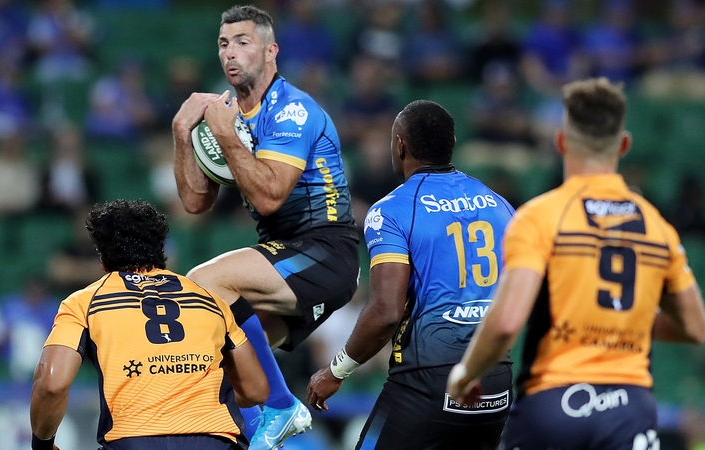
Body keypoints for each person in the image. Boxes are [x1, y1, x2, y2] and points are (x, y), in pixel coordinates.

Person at [447, 77, 705, 450]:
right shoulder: (657, 226)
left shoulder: (540, 217)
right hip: (630, 408)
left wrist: (465, 374)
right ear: (623, 145)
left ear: (560, 141)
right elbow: (695, 327)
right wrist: (620, 322)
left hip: (555, 405)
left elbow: (507, 321)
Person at [171, 5, 359, 449]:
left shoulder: (293, 110)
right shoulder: (225, 113)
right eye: (223, 44)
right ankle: (258, 437)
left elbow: (270, 195)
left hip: (325, 251)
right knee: (219, 359)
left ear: (271, 51)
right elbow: (196, 202)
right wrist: (182, 132)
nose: (230, 54)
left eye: (242, 42)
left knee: (202, 284)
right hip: (283, 255)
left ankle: (281, 403)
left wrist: (227, 136)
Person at [307, 100, 515, 449]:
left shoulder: (392, 211)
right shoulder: (500, 205)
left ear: (400, 144)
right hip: (494, 381)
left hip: (427, 382)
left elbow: (386, 312)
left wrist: (335, 371)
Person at [29, 200, 269, 450]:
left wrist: (42, 444)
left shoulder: (84, 303)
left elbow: (51, 384)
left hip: (134, 441)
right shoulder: (210, 300)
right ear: (162, 249)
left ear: (102, 258)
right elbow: (257, 390)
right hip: (215, 441)